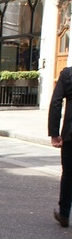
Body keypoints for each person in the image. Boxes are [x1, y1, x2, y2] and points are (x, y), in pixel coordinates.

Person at [48, 66, 72, 227]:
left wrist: (54, 132)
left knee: (69, 174)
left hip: (71, 135)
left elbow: (56, 103)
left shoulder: (68, 74)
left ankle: (64, 213)